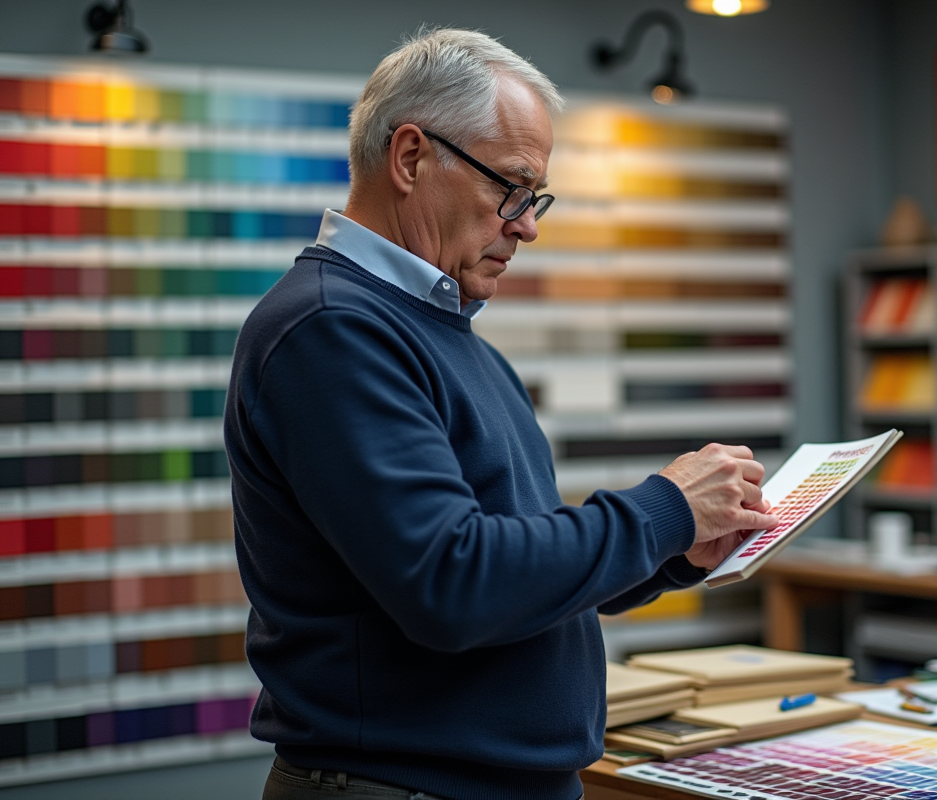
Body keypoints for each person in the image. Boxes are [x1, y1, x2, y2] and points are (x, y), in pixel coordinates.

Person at [225, 27, 778, 800]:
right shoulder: (332, 330)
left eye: (535, 197)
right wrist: (664, 509)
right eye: (511, 188)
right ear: (410, 158)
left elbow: (517, 574)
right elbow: (454, 585)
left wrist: (675, 549)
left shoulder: (447, 335)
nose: (527, 224)